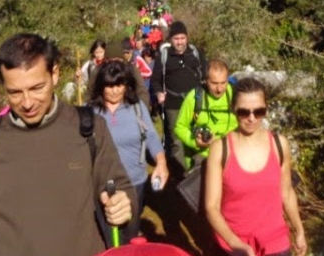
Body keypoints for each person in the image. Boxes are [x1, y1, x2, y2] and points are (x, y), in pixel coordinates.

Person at [0, 33, 135, 256]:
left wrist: (123, 202)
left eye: (37, 88)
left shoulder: (90, 129)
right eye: (15, 92)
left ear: (54, 74)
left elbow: (118, 185)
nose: (27, 103)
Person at [204, 77, 306, 256]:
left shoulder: (279, 145)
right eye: (244, 112)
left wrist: (299, 230)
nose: (251, 118)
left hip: (275, 243)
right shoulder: (220, 149)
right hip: (234, 245)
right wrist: (236, 244)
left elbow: (287, 192)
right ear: (233, 109)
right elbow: (211, 207)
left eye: (259, 111)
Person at [89, 59, 169, 244]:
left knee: (130, 231)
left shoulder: (137, 107)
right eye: (109, 86)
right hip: (103, 183)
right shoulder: (91, 111)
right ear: (101, 87)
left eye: (119, 85)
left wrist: (161, 162)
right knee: (108, 234)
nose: (115, 90)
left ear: (126, 85)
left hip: (135, 181)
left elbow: (151, 136)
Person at [150, 20, 206, 172]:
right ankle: (182, 174)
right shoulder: (164, 56)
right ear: (170, 40)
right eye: (176, 39)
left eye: (182, 38)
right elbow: (155, 80)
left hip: (196, 103)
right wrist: (159, 93)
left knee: (198, 134)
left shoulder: (196, 54)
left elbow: (205, 75)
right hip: (173, 104)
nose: (180, 42)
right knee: (176, 140)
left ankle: (198, 170)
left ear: (187, 38)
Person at [174, 58, 237, 170]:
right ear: (206, 80)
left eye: (223, 83)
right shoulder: (195, 98)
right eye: (214, 83)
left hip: (231, 154)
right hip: (203, 157)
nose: (219, 89)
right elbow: (180, 127)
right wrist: (195, 142)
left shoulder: (236, 95)